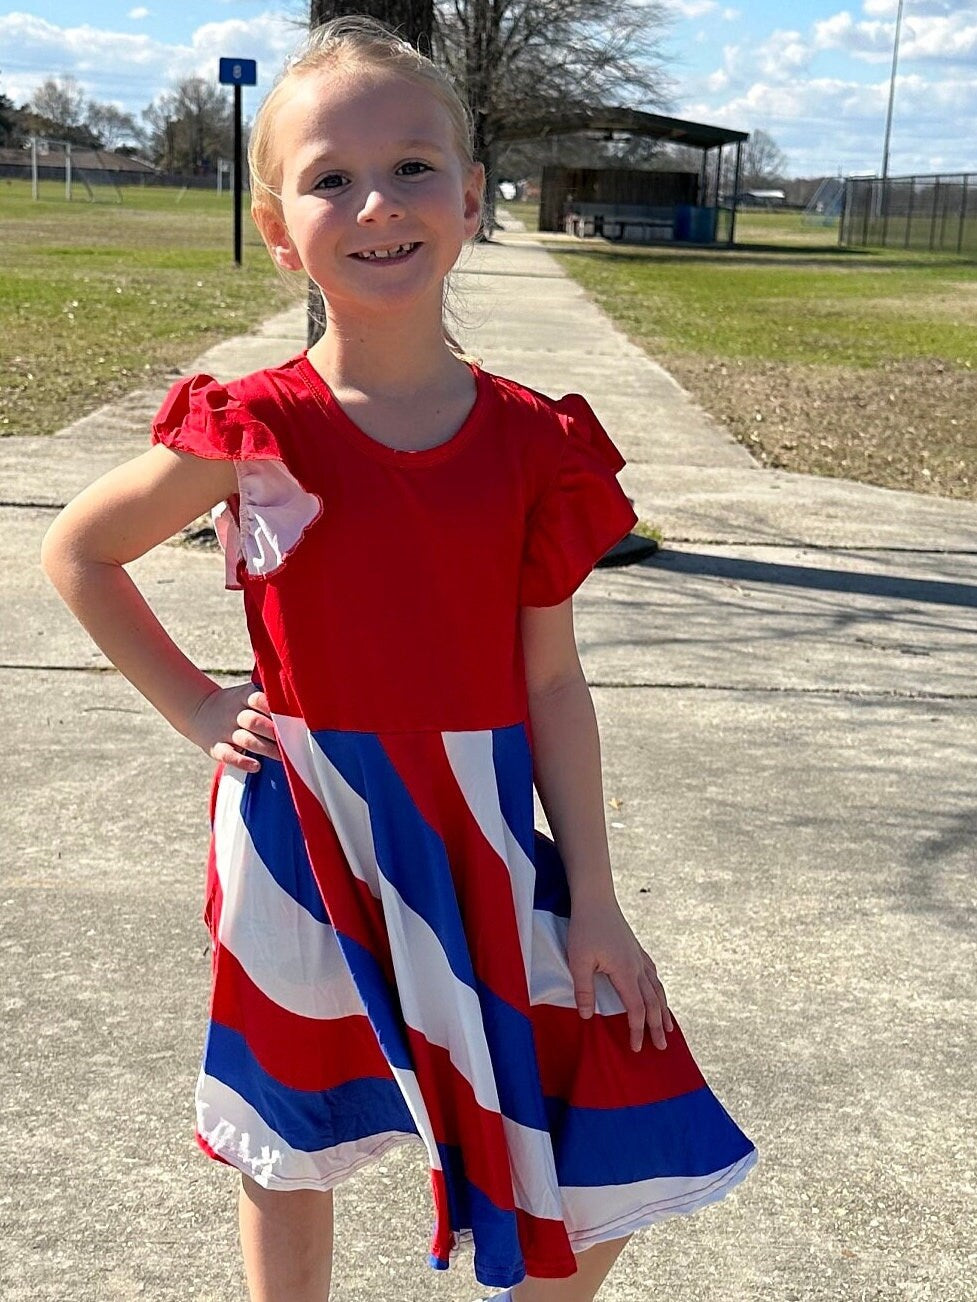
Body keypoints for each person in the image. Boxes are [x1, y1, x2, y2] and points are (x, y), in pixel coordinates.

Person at [41, 17, 756, 1302]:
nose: (377, 202)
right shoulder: (253, 427)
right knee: (292, 1134)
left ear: (472, 200)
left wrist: (592, 895)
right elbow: (81, 556)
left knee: (606, 1081)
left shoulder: (536, 445)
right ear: (278, 229)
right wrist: (204, 710)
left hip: (479, 821)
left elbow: (549, 682)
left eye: (414, 166)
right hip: (305, 827)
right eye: (329, 178)